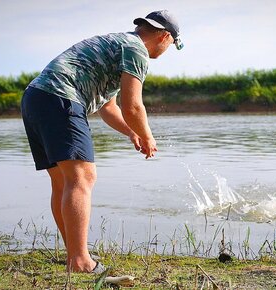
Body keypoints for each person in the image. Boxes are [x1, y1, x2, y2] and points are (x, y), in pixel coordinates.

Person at [20, 10, 182, 273]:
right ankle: (81, 261)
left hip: (36, 97)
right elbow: (133, 107)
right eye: (172, 45)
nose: (167, 50)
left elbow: (108, 106)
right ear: (165, 37)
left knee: (62, 180)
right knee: (82, 178)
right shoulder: (137, 51)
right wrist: (149, 136)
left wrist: (132, 133)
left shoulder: (118, 44)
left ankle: (74, 257)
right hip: (61, 97)